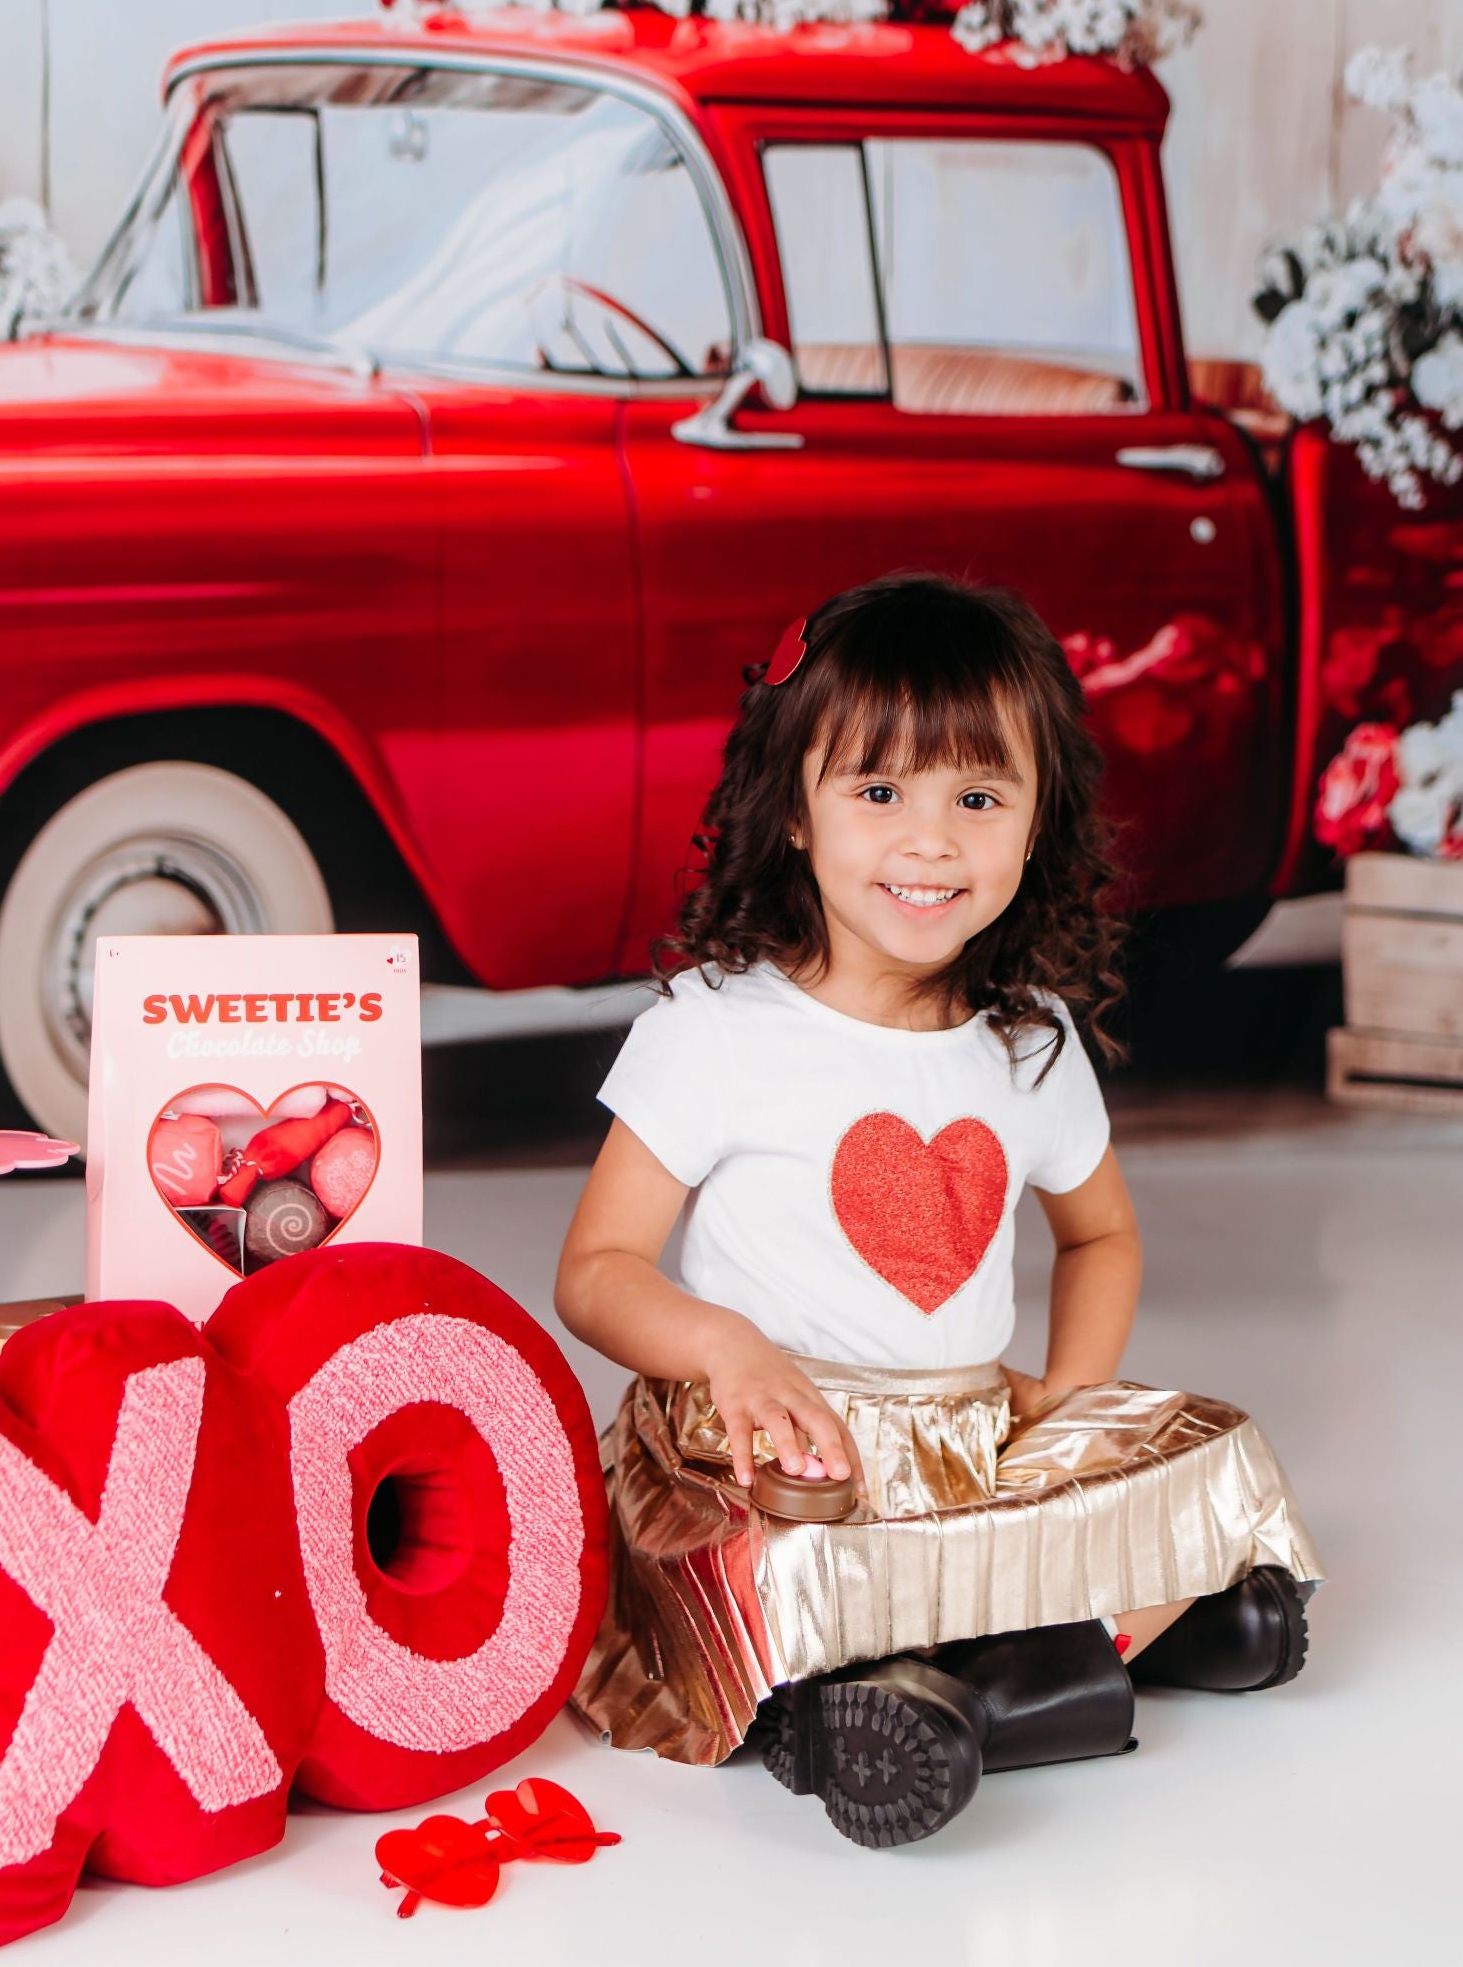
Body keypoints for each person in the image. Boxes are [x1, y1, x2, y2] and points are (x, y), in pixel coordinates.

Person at [556, 574, 1320, 1849]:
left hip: (963, 1436)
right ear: (792, 812)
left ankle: (968, 1674)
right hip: (774, 1454)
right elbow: (596, 1268)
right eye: (878, 793)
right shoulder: (715, 1027)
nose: (930, 841)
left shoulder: (1026, 1045)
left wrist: (1064, 1419)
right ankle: (992, 1672)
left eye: (976, 798)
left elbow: (1100, 1233)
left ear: (1035, 827)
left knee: (1208, 1437)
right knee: (801, 1563)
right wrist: (721, 1346)